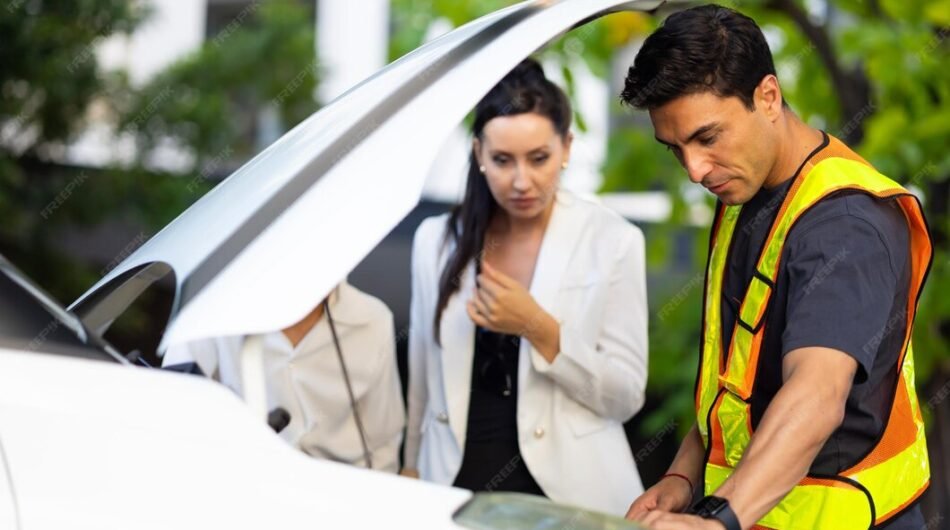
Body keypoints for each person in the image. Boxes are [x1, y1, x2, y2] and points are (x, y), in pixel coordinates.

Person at [620, 5, 932, 530]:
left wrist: (719, 517)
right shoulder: (747, 188)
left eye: (707, 137)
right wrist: (683, 478)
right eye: (675, 149)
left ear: (767, 96)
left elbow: (816, 395)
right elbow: (736, 384)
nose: (694, 170)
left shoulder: (847, 224)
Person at [400, 58, 649, 516]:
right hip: (456, 487)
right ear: (477, 154)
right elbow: (421, 372)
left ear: (567, 147)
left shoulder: (612, 239)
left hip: (568, 496)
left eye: (539, 159)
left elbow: (626, 396)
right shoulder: (435, 240)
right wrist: (410, 466)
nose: (521, 181)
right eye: (501, 160)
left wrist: (537, 326)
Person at [162, 280, 405, 473]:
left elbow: (383, 444)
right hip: (241, 483)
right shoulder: (212, 306)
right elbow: (172, 408)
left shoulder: (372, 320)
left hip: (336, 494)